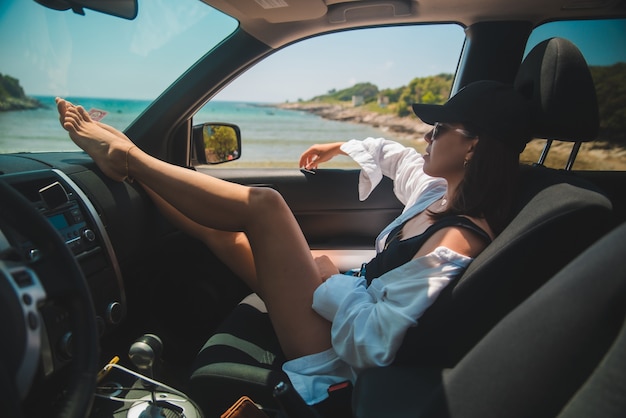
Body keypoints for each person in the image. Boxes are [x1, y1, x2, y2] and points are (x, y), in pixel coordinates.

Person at [56, 80, 531, 407]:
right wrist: (338, 146)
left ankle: (130, 157)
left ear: (472, 146)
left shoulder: (456, 240)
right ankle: (136, 176)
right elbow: (392, 154)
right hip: (343, 308)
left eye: (441, 128)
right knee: (223, 233)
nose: (427, 135)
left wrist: (332, 282)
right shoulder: (435, 193)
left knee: (266, 207)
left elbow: (373, 345)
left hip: (336, 352)